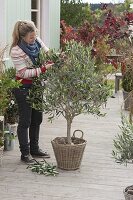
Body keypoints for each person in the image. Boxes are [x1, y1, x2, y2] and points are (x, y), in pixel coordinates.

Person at [10, 20, 54, 164]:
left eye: (35, 36)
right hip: (23, 88)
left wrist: (54, 57)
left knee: (37, 119)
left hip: (36, 86)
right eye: (31, 37)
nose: (33, 39)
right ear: (23, 37)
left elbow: (47, 51)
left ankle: (35, 149)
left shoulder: (36, 40)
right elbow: (23, 73)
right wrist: (43, 69)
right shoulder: (16, 50)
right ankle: (25, 153)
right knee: (25, 121)